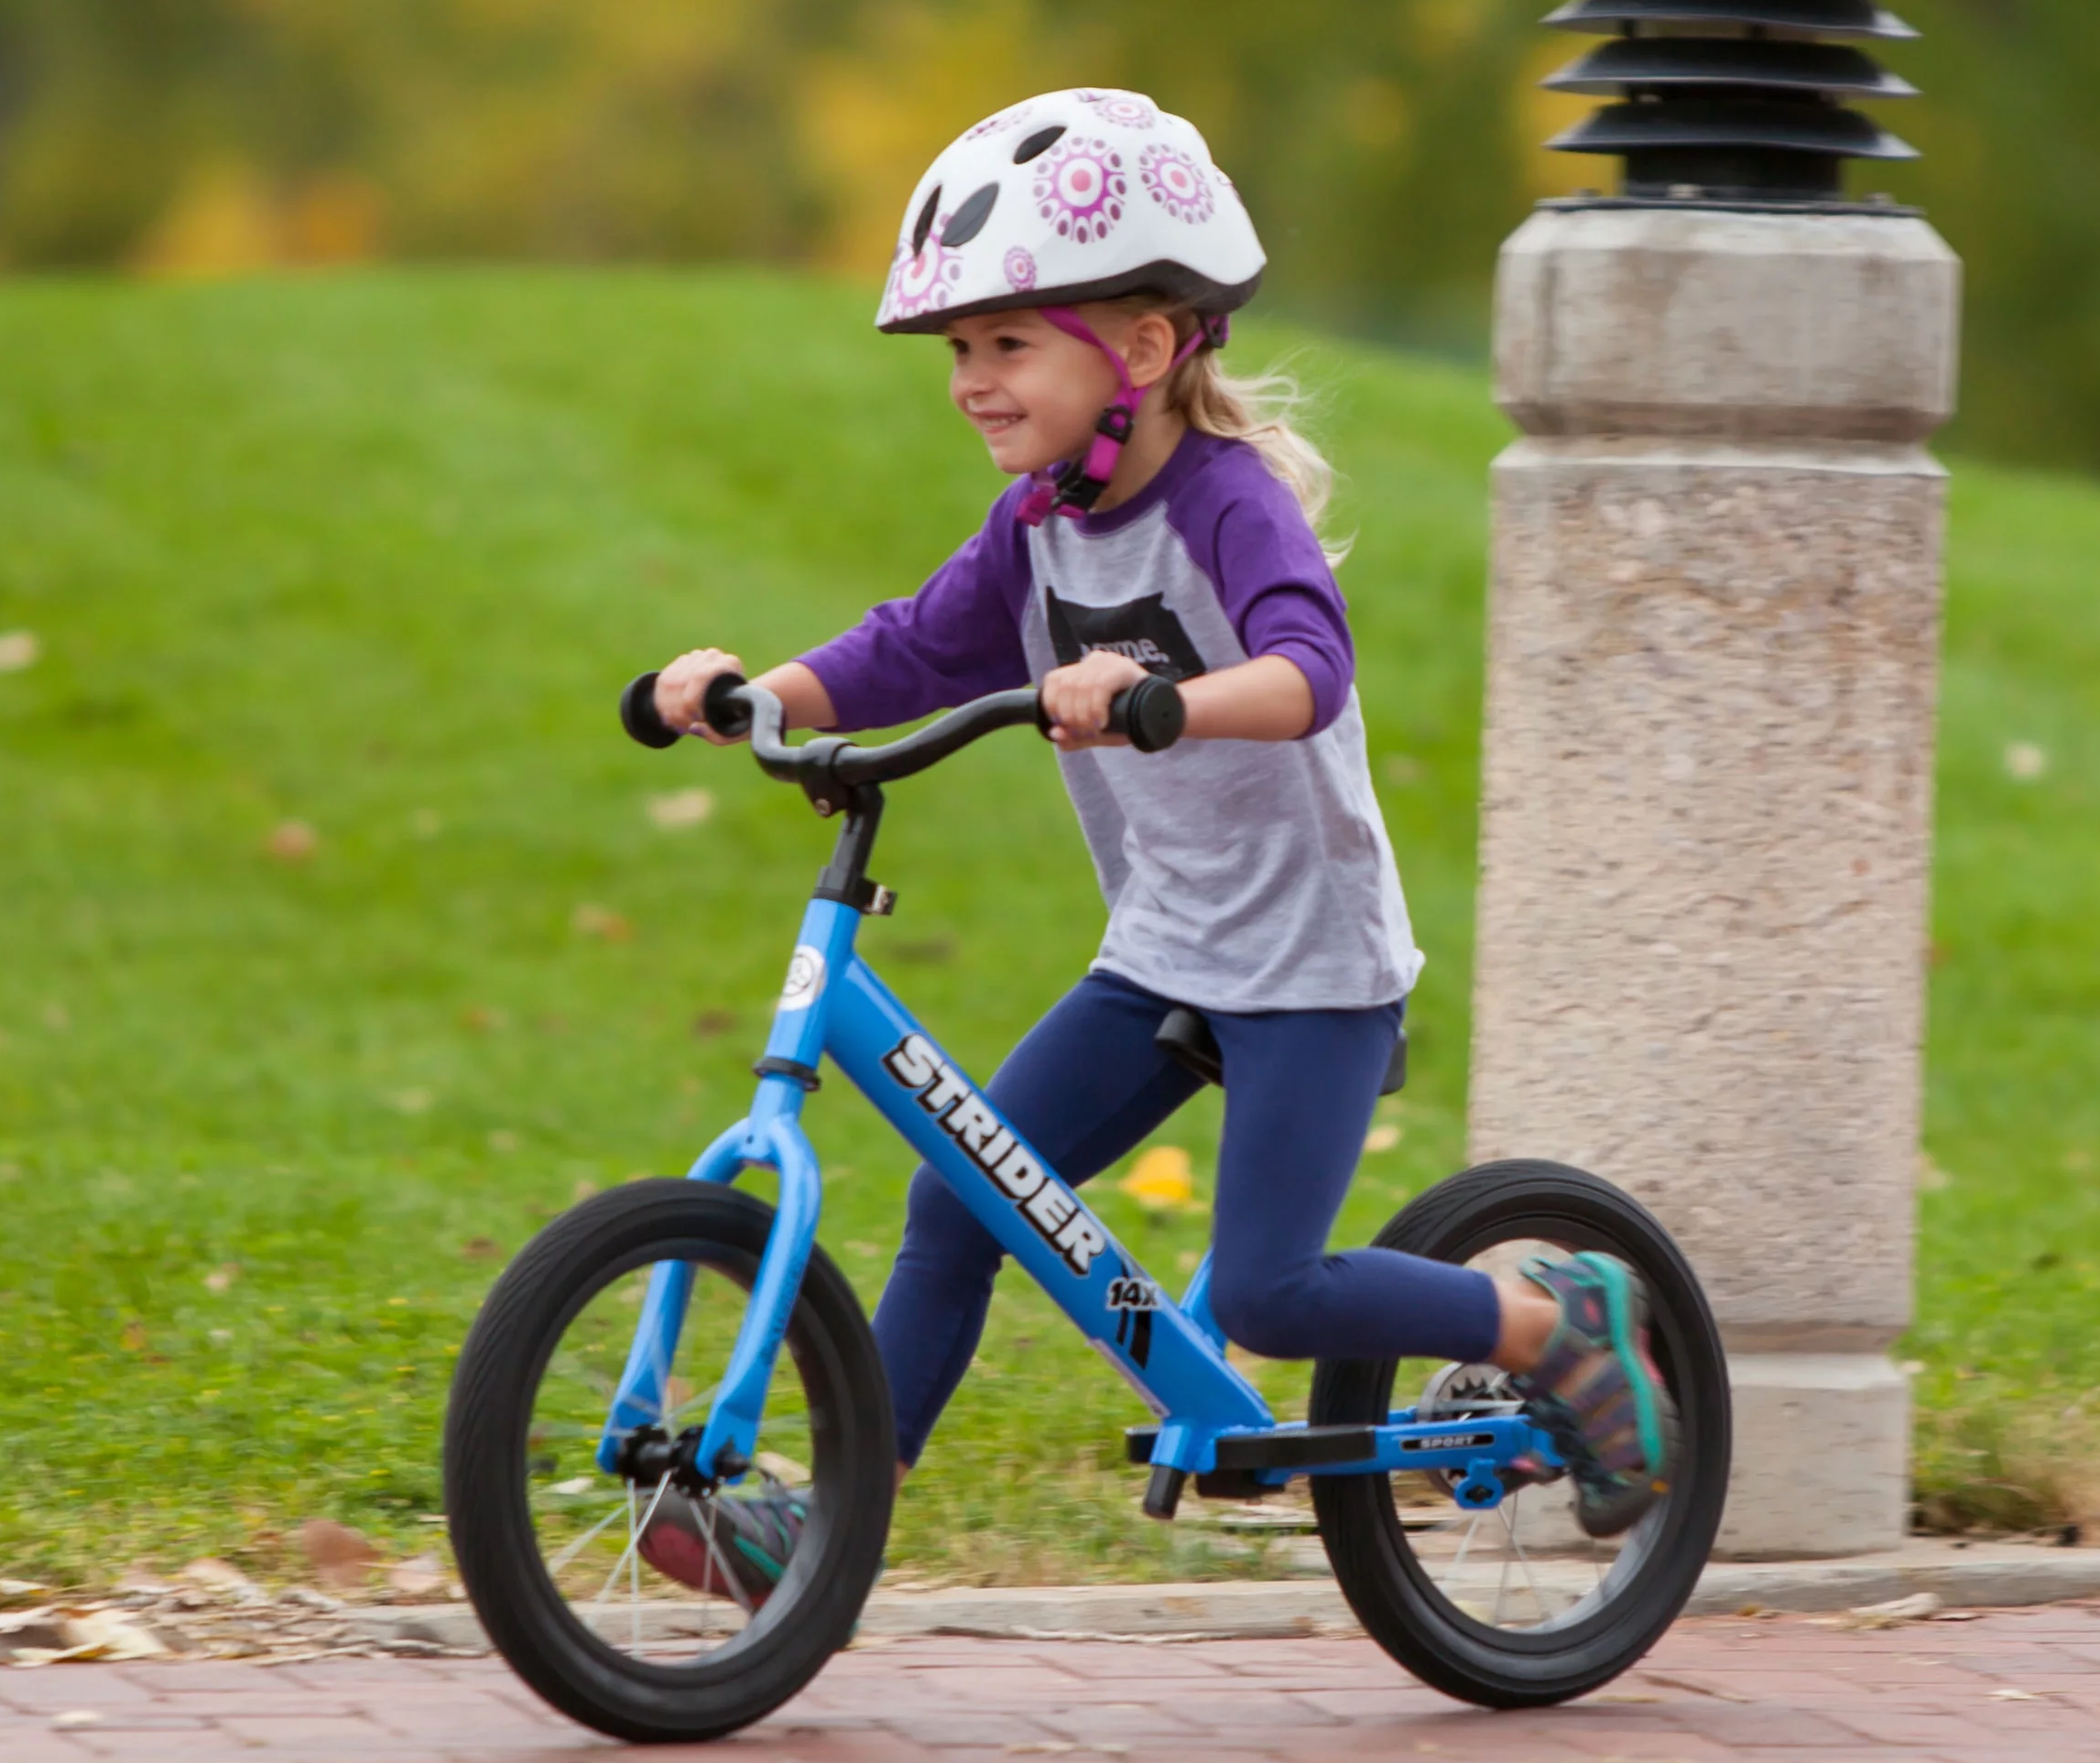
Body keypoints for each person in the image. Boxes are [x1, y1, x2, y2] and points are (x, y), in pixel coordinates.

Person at [638, 88, 1670, 1605]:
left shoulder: (1227, 502)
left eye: (1007, 343)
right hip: (1167, 946)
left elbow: (1311, 668)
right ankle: (837, 1524)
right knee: (960, 1193)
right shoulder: (1042, 520)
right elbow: (910, 649)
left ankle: (1550, 1326)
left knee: (1266, 1285)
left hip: (1309, 961)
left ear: (1139, 346)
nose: (973, 384)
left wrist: (1162, 701)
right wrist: (748, 697)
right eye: (961, 352)